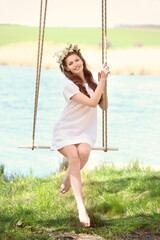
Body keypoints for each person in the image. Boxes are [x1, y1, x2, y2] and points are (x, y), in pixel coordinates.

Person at [50, 44, 110, 227]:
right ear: (66, 68)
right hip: (65, 130)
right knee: (74, 156)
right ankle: (81, 208)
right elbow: (92, 103)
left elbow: (103, 105)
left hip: (85, 131)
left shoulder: (92, 83)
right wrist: (103, 82)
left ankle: (69, 176)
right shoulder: (69, 86)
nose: (75, 64)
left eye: (77, 60)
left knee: (83, 153)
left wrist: (102, 83)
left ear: (82, 61)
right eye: (70, 63)